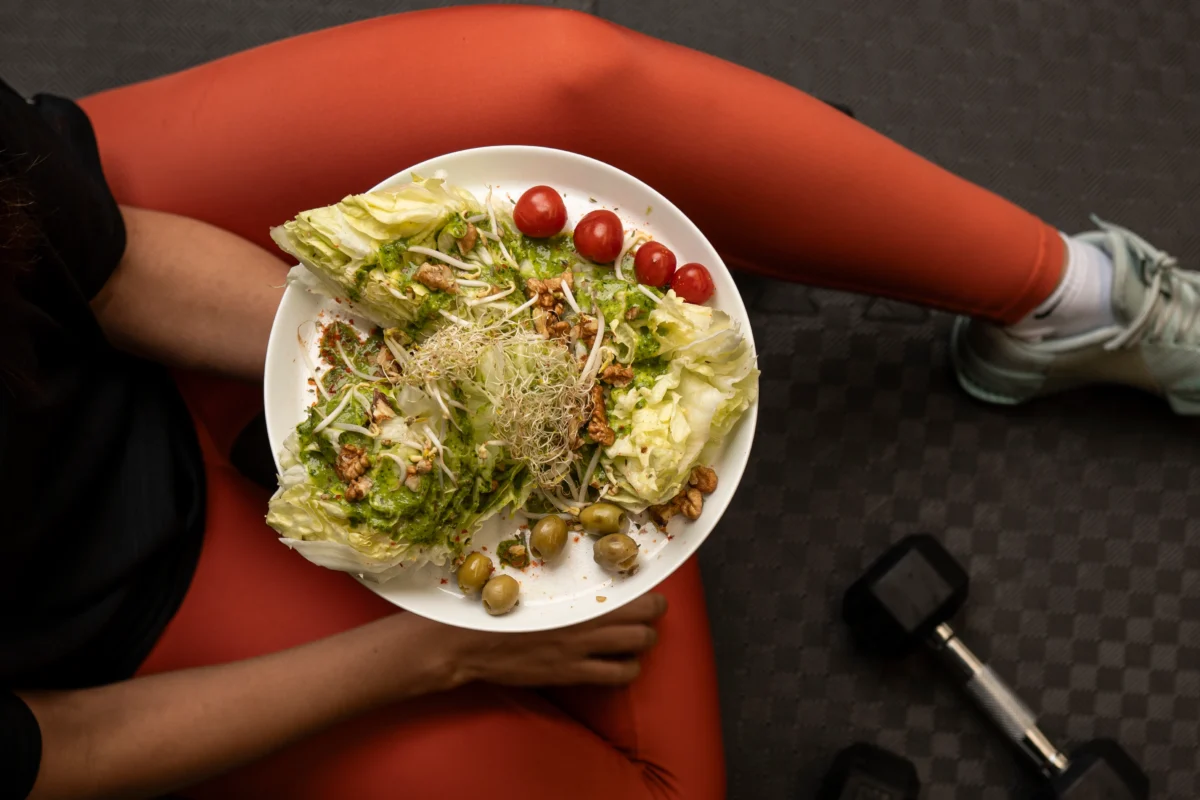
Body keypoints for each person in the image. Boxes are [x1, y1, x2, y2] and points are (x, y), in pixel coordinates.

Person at [2, 6, 1192, 800]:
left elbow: (108, 265)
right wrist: (429, 656)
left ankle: (1067, 301)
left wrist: (407, 360)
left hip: (87, 261)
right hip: (90, 601)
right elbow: (54, 747)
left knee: (570, 86)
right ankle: (757, 221)